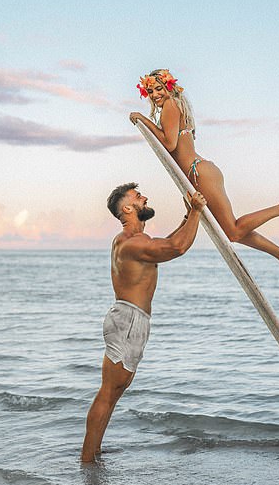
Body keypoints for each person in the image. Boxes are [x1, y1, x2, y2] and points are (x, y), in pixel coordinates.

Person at [130, 69, 279, 283]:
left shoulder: (170, 106)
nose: (154, 95)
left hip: (199, 173)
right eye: (150, 91)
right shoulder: (175, 107)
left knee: (233, 231)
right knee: (232, 230)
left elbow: (169, 143)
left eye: (158, 89)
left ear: (169, 88)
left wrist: (143, 120)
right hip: (201, 173)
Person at [81, 182, 206, 463]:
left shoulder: (135, 240)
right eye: (138, 197)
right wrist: (197, 211)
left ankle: (94, 456)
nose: (144, 197)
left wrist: (188, 217)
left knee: (113, 392)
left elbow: (167, 242)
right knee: (108, 392)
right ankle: (87, 460)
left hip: (131, 321)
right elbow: (176, 247)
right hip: (127, 322)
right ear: (128, 208)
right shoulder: (132, 242)